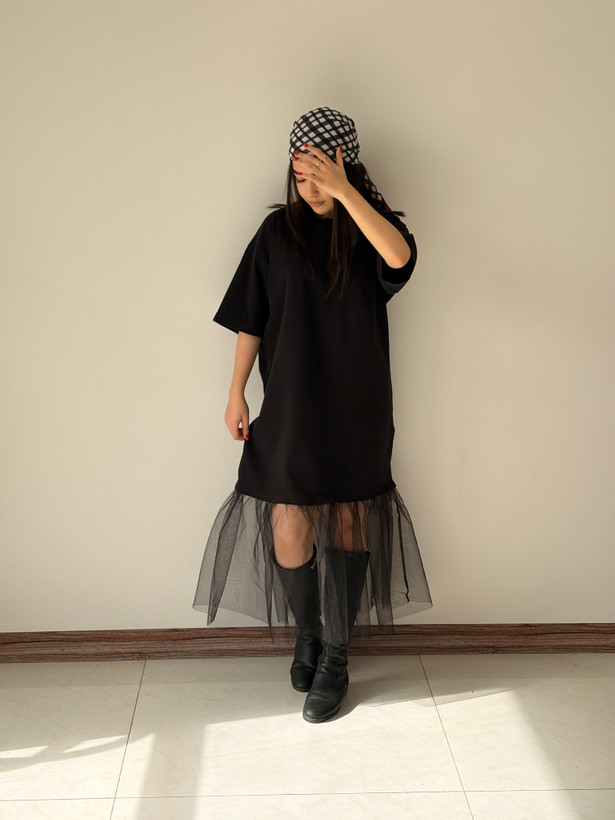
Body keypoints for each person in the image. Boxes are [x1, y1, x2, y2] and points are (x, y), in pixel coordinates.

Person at [193, 106, 432, 723]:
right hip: (290, 404)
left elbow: (400, 259)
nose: (310, 189)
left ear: (345, 168)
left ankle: (337, 657)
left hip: (357, 403)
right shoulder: (277, 233)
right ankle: (311, 633)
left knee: (350, 517)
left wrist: (345, 192)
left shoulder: (370, 228)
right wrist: (235, 391)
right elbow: (250, 316)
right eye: (301, 178)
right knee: (289, 521)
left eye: (320, 176)